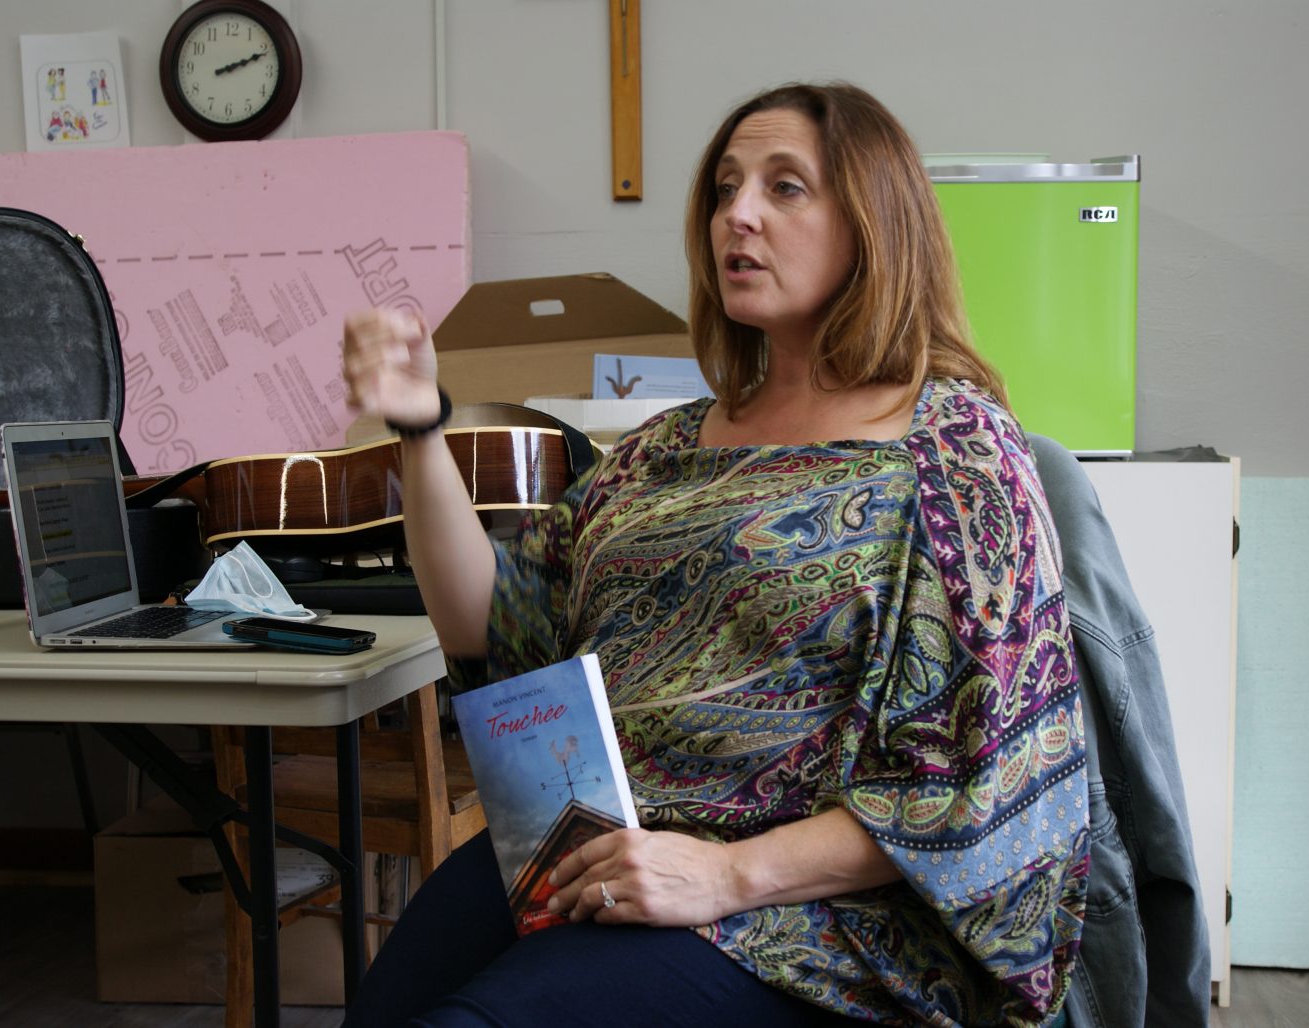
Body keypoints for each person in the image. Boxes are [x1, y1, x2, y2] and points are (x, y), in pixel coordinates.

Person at [340, 81, 1087, 1027]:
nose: (738, 213)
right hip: (601, 845)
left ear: (874, 223)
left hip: (810, 919)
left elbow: (993, 787)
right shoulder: (660, 449)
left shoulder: (953, 454)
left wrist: (727, 874)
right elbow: (489, 628)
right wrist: (420, 429)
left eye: (785, 187)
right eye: (726, 187)